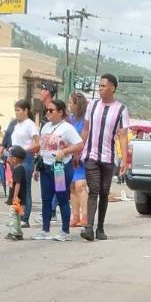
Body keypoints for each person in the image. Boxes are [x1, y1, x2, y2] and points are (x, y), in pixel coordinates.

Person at [78, 73, 130, 241]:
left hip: (108, 158)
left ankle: (100, 228)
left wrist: (124, 160)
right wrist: (79, 149)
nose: (100, 89)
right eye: (99, 86)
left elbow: (123, 135)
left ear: (112, 88)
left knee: (104, 192)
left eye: (103, 86)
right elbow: (85, 130)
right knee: (94, 190)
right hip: (91, 155)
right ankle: (89, 228)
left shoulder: (121, 109)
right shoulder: (92, 105)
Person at [32, 98, 83, 242]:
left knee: (61, 198)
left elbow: (80, 145)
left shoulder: (67, 128)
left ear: (60, 112)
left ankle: (65, 231)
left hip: (60, 167)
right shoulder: (46, 127)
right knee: (46, 199)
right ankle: (45, 229)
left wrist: (65, 151)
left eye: (51, 110)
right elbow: (42, 148)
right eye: (46, 110)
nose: (48, 113)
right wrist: (37, 166)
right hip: (45, 166)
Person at [8, 99, 38, 227]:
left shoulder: (29, 124)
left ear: (26, 110)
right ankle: (17, 215)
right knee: (15, 189)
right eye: (15, 110)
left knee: (25, 190)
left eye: (19, 110)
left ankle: (25, 218)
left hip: (25, 158)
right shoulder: (16, 125)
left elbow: (36, 142)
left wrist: (22, 150)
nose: (16, 113)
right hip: (15, 159)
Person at [66, 92, 88, 227]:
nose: (69, 105)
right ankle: (75, 216)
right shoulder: (70, 120)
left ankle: (85, 216)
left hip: (82, 157)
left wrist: (78, 153)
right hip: (70, 156)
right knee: (72, 186)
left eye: (71, 103)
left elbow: (85, 138)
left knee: (80, 186)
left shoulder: (86, 120)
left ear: (77, 104)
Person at [3, 145, 27, 241]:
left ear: (15, 159)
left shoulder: (18, 169)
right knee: (17, 216)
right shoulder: (21, 168)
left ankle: (13, 232)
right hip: (21, 199)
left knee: (13, 215)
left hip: (17, 199)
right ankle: (19, 233)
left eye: (10, 157)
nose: (8, 158)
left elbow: (17, 184)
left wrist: (15, 196)